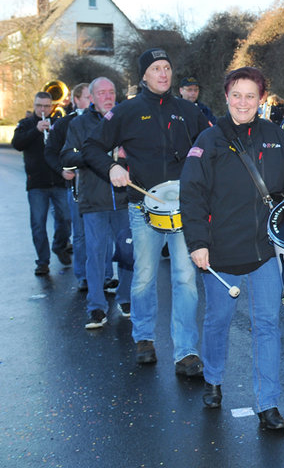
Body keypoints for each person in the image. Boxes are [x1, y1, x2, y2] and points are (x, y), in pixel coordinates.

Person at [180, 66, 284, 430]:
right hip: (220, 251)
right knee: (218, 321)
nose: (242, 102)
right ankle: (213, 378)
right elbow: (191, 195)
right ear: (226, 97)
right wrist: (198, 243)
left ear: (262, 99)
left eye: (250, 95)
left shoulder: (275, 135)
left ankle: (268, 404)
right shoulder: (208, 140)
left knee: (267, 325)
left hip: (265, 250)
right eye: (236, 95)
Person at [83, 48, 211, 373]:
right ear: (144, 75)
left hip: (183, 209)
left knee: (185, 279)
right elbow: (91, 147)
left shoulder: (188, 110)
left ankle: (186, 352)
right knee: (144, 277)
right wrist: (111, 167)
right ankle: (143, 338)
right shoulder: (126, 111)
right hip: (143, 208)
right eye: (156, 68)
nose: (163, 73)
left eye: (167, 67)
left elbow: (211, 146)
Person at [61, 77, 134, 328]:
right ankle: (96, 308)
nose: (107, 97)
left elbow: (143, 153)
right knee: (95, 254)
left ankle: (125, 298)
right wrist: (94, 156)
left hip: (124, 199)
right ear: (91, 98)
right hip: (93, 201)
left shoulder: (126, 119)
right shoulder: (79, 124)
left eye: (111, 92)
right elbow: (66, 157)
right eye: (101, 93)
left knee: (128, 252)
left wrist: (127, 157)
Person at [12, 91, 72, 275]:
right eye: (39, 106)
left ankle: (59, 245)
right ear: (34, 105)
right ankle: (43, 261)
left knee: (66, 218)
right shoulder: (25, 124)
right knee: (38, 224)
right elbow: (17, 144)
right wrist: (35, 130)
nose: (43, 109)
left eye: (47, 106)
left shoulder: (58, 123)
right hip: (37, 183)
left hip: (58, 180)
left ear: (52, 107)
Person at [44, 83, 91, 287]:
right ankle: (83, 276)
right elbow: (50, 151)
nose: (92, 101)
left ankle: (105, 275)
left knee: (102, 236)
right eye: (88, 97)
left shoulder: (104, 120)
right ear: (76, 100)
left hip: (100, 187)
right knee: (79, 234)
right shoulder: (64, 123)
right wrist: (62, 170)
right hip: (77, 187)